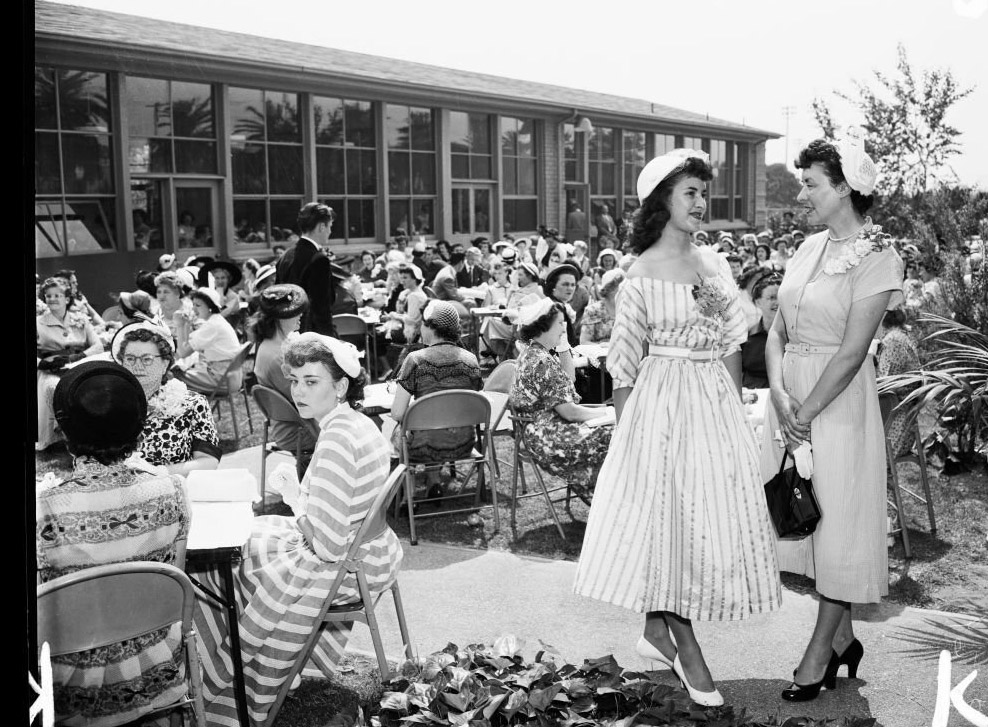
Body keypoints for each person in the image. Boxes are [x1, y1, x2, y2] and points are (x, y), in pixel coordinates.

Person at [573, 149, 781, 708]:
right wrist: (628, 438)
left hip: (712, 404)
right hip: (660, 407)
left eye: (701, 192)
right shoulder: (638, 275)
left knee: (690, 523)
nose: (701, 202)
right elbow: (621, 365)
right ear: (662, 199)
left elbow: (734, 339)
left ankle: (655, 630)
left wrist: (734, 408)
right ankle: (687, 648)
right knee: (669, 520)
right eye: (690, 192)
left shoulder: (715, 264)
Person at [759, 128, 903, 701]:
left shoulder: (879, 257)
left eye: (811, 185)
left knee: (838, 523)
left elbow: (852, 351)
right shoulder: (805, 249)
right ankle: (844, 639)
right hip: (791, 397)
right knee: (806, 514)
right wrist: (778, 394)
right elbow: (775, 328)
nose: (802, 196)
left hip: (836, 405)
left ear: (844, 189)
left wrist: (807, 411)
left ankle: (819, 652)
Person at [194, 333, 402, 726]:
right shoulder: (355, 422)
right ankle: (236, 659)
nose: (299, 390)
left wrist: (292, 495)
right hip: (371, 548)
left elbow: (326, 546)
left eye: (312, 381)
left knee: (228, 561)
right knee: (253, 534)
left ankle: (227, 673)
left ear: (340, 386)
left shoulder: (339, 438)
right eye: (295, 380)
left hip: (348, 565)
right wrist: (299, 499)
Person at [37, 360, 191, 727]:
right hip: (157, 668)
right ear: (141, 426)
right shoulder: (172, 491)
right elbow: (175, 577)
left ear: (63, 429)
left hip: (70, 686)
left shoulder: (45, 511)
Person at [508, 298, 614, 495]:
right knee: (616, 435)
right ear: (544, 326)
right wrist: (609, 412)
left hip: (540, 429)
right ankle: (604, 495)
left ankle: (602, 494)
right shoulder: (541, 361)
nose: (564, 328)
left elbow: (568, 378)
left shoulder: (534, 353)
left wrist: (563, 345)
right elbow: (570, 412)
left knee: (614, 431)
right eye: (559, 323)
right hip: (547, 435)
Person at [390, 301, 482, 495]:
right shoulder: (471, 360)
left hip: (422, 446)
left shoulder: (415, 360)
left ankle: (410, 494)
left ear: (429, 327)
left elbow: (397, 412)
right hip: (463, 444)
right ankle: (434, 481)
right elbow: (473, 402)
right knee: (434, 426)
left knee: (403, 432)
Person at [112, 321, 221, 475]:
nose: (137, 366)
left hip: (173, 490)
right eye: (130, 359)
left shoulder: (192, 404)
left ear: (165, 364)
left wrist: (159, 471)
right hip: (119, 493)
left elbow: (208, 462)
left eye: (147, 359)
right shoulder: (109, 404)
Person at [250, 284, 317, 478]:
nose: (301, 315)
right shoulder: (277, 356)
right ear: (281, 318)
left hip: (295, 422)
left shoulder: (275, 345)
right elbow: (306, 398)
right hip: (298, 429)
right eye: (295, 313)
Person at [36, 277, 104, 450]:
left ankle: (93, 432)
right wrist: (42, 363)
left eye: (56, 295)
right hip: (52, 369)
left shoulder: (80, 319)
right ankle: (66, 434)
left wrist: (78, 356)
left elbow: (98, 345)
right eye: (48, 296)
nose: (51, 299)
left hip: (79, 364)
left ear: (66, 299)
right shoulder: (39, 323)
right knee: (54, 387)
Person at [277, 202, 337, 336]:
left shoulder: (285, 256)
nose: (330, 232)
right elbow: (321, 310)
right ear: (322, 227)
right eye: (330, 226)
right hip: (311, 335)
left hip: (286, 333)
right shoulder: (319, 260)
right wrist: (331, 342)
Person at [173, 287, 243, 390]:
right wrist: (186, 325)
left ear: (210, 307)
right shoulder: (216, 320)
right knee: (184, 367)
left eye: (198, 305)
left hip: (221, 380)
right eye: (193, 305)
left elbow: (182, 353)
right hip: (230, 376)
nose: (194, 309)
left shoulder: (212, 325)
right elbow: (186, 346)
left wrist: (179, 325)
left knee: (172, 375)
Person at [876, 307, 921, 457]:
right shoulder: (903, 336)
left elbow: (884, 384)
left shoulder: (893, 341)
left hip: (894, 431)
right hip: (904, 426)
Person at [740, 273, 783, 389]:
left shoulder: (797, 336)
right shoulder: (745, 337)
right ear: (758, 302)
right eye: (772, 298)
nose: (778, 302)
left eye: (781, 297)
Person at [580, 269, 625, 345]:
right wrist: (606, 348)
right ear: (610, 289)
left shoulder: (628, 311)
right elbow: (584, 342)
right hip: (597, 355)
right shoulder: (593, 310)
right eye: (621, 287)